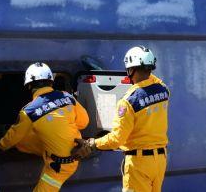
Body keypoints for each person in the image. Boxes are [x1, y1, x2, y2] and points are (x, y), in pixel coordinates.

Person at [72, 46, 170, 192]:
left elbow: (117, 139)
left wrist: (93, 143)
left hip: (138, 164)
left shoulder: (128, 102)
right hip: (160, 160)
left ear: (131, 70)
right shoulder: (163, 90)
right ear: (150, 68)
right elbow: (152, 79)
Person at [0, 63, 89, 191]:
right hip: (73, 150)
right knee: (23, 140)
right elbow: (84, 122)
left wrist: (0, 146)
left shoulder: (28, 111)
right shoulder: (68, 97)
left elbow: (13, 136)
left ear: (29, 85)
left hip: (61, 166)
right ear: (51, 82)